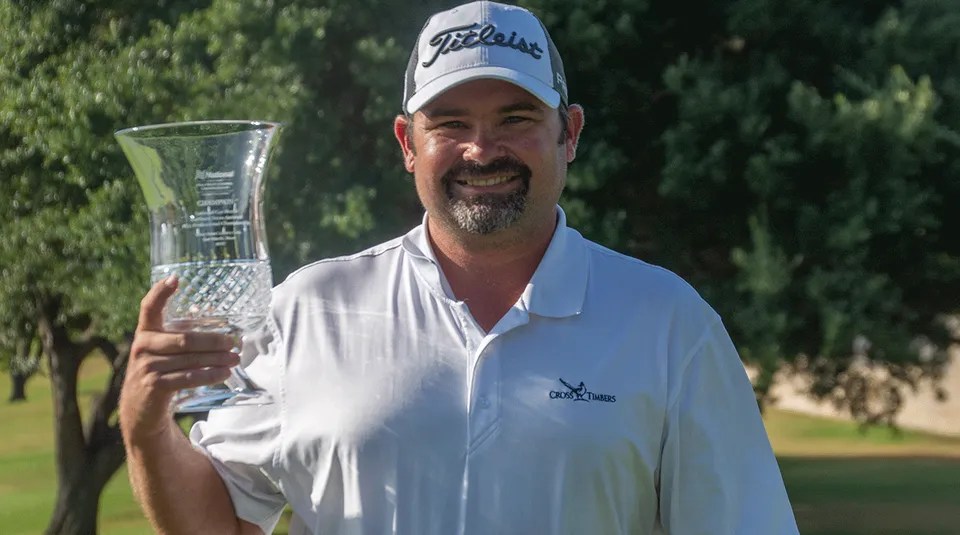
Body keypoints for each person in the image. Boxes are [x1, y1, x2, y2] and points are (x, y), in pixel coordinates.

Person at [119, 1, 800, 534]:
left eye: (514, 117)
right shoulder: (309, 308)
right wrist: (145, 427)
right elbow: (218, 523)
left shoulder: (669, 323)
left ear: (569, 133)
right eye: (449, 123)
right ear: (407, 143)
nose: (481, 150)